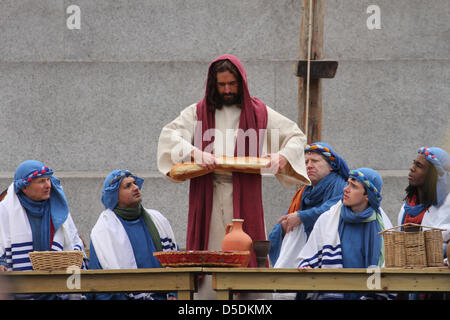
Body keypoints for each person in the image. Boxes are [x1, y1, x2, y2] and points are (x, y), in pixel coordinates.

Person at [157, 54, 309, 299]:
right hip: (208, 196)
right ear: (213, 84)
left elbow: (296, 137)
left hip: (244, 195)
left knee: (247, 254)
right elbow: (169, 136)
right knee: (209, 254)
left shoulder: (259, 112)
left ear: (242, 82)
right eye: (222, 85)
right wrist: (195, 152)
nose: (227, 90)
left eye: (232, 84)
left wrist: (281, 157)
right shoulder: (197, 112)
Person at [297, 168, 394, 300]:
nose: (345, 189)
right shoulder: (328, 219)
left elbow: (388, 269)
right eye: (347, 183)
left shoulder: (383, 227)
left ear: (367, 196)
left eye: (353, 186)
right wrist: (307, 266)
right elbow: (309, 255)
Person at [0, 160, 87, 300]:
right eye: (41, 181)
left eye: (48, 180)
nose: (48, 185)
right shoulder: (5, 210)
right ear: (24, 187)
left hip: (58, 289)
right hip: (20, 291)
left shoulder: (58, 209)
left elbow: (74, 241)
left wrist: (76, 252)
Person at [88, 169, 178, 300]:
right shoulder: (102, 232)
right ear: (114, 196)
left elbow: (177, 263)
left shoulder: (158, 220)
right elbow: (100, 283)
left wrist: (174, 294)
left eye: (135, 183)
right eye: (128, 186)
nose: (136, 187)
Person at [268, 142, 349, 268]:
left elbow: (333, 209)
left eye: (315, 161)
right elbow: (289, 218)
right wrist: (284, 227)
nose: (309, 166)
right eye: (306, 162)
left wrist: (302, 217)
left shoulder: (340, 186)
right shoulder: (304, 191)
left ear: (331, 166)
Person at [397, 147, 450, 300]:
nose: (411, 168)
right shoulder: (408, 206)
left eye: (419, 166)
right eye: (414, 163)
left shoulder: (447, 205)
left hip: (437, 286)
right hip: (406, 281)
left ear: (435, 175)